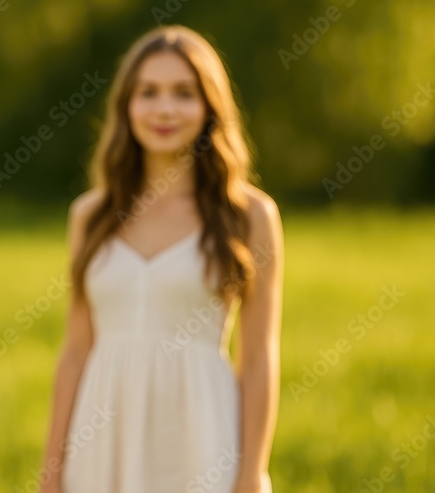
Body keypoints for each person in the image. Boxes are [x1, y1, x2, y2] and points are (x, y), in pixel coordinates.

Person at [40, 26, 283, 493]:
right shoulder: (91, 215)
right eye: (148, 92)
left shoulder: (250, 215)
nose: (165, 109)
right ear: (127, 105)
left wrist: (252, 473)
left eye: (183, 93)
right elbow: (75, 352)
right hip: (102, 432)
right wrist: (51, 473)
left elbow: (258, 360)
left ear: (210, 107)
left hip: (202, 432)